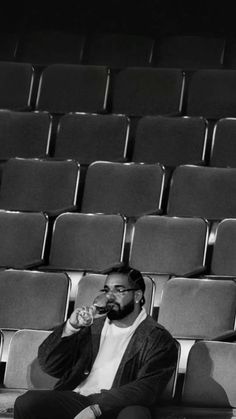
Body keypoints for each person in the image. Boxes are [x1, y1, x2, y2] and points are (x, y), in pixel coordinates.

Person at [14, 266, 178, 419]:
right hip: (79, 399)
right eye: (107, 290)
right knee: (28, 402)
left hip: (116, 406)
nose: (110, 297)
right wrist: (71, 328)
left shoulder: (158, 338)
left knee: (135, 415)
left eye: (119, 290)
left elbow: (146, 389)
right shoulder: (91, 326)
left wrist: (98, 407)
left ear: (137, 296)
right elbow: (50, 365)